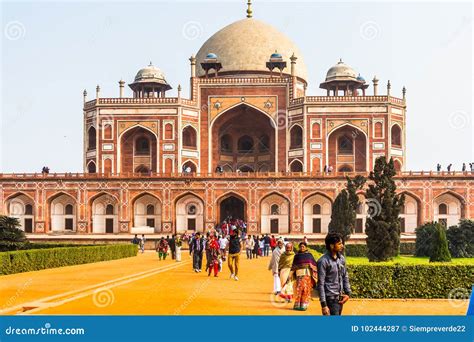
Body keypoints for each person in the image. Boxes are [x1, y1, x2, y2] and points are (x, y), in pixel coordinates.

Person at [317, 232, 351, 316]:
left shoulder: (341, 259)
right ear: (331, 246)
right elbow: (321, 284)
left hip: (340, 297)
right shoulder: (323, 261)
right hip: (330, 299)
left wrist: (347, 293)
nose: (342, 246)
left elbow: (345, 276)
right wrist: (324, 305)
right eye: (339, 244)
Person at [291, 242, 318, 311]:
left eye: (303, 246)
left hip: (307, 274)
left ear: (306, 247)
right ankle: (297, 304)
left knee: (306, 289)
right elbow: (293, 266)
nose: (302, 248)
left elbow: (314, 264)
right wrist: (290, 274)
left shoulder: (309, 255)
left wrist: (314, 273)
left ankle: (303, 305)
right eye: (301, 247)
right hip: (299, 274)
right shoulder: (297, 256)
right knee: (299, 289)